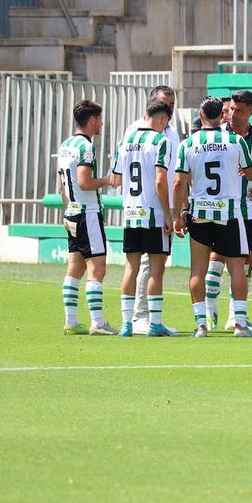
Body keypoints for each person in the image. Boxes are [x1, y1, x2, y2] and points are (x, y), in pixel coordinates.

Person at [173, 97, 252, 338]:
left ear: (201, 116)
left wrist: (178, 215)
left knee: (197, 271)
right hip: (230, 213)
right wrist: (246, 170)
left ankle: (202, 324)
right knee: (237, 269)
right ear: (222, 116)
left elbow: (179, 181)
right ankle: (240, 325)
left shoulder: (188, 143)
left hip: (199, 212)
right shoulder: (236, 141)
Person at [109, 97, 176, 338]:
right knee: (156, 269)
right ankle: (155, 323)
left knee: (131, 267)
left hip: (130, 213)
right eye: (165, 122)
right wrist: (168, 214)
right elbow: (160, 181)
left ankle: (126, 323)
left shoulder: (125, 140)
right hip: (154, 214)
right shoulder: (161, 141)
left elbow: (115, 180)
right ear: (161, 119)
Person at [56, 100, 117, 336]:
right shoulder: (86, 147)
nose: (102, 123)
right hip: (87, 213)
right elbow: (84, 182)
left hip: (71, 212)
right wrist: (107, 180)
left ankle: (71, 321)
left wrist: (69, 207)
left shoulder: (65, 145)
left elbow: (62, 185)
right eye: (100, 119)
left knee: (74, 267)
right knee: (98, 269)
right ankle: (98, 322)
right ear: (92, 120)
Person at [215, 90, 252, 331]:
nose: (233, 115)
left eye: (239, 111)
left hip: (247, 208)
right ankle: (209, 316)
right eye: (230, 109)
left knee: (248, 260)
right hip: (221, 209)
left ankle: (235, 315)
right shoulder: (218, 135)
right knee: (216, 258)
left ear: (250, 111)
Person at [127, 85, 180, 334]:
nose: (169, 107)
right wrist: (169, 213)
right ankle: (143, 317)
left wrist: (179, 207)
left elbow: (176, 175)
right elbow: (161, 179)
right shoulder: (145, 133)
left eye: (172, 103)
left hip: (146, 207)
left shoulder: (172, 133)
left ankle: (133, 320)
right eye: (165, 103)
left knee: (144, 265)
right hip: (153, 208)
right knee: (151, 266)